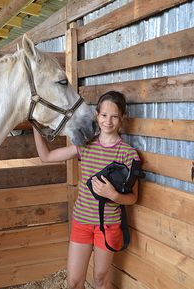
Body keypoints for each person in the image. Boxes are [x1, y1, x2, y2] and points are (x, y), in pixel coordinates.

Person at [32, 91, 140, 289]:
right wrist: (36, 128)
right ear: (97, 115)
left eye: (115, 116)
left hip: (108, 225)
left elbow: (133, 198)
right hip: (81, 222)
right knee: (73, 282)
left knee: (100, 279)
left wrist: (113, 195)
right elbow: (46, 156)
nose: (108, 121)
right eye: (104, 115)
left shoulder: (128, 154)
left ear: (122, 118)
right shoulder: (85, 146)